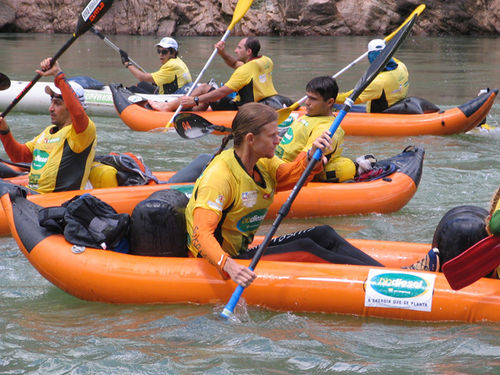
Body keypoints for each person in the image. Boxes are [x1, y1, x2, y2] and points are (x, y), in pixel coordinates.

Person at [184, 102, 383, 287]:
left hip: (239, 252)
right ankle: (380, 282)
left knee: (322, 233)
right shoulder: (220, 176)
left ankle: (387, 273)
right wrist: (229, 265)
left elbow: (289, 177)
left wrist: (310, 156)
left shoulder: (263, 162)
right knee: (305, 248)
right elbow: (200, 235)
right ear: (251, 139)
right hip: (219, 261)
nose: (278, 140)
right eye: (273, 136)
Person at [0, 58, 96, 193]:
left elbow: (78, 115)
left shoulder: (82, 133)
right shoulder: (47, 132)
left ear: (70, 106)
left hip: (54, 201)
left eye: (57, 103)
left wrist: (58, 74)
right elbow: (19, 157)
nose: (51, 108)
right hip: (31, 195)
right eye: (51, 102)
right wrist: (4, 131)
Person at [149, 37, 292, 112]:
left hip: (243, 109)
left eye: (239, 48)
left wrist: (196, 99)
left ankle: (167, 107)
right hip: (263, 102)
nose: (236, 50)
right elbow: (236, 64)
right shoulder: (266, 61)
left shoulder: (244, 71)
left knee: (205, 87)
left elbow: (222, 92)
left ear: (248, 52)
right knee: (206, 95)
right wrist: (222, 53)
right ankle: (192, 112)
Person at [276, 76, 371, 183]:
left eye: (313, 99)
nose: (307, 102)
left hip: (287, 172)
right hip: (278, 163)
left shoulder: (326, 129)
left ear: (330, 102)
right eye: (307, 97)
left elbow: (302, 166)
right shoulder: (312, 115)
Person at [335, 39, 409, 113]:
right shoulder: (401, 66)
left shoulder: (378, 82)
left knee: (334, 105)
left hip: (378, 114)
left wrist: (330, 97)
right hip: (394, 107)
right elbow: (392, 59)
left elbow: (351, 98)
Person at [120, 37, 192, 95]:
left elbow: (142, 77)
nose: (161, 54)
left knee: (133, 89)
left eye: (164, 52)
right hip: (175, 93)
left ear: (173, 52)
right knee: (142, 84)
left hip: (168, 99)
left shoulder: (171, 65)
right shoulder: (178, 61)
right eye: (159, 51)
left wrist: (127, 63)